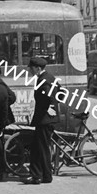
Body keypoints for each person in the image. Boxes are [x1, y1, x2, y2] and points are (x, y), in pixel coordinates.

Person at [24, 57, 60, 185]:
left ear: (38, 68)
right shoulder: (50, 77)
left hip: (45, 120)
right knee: (41, 147)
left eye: (31, 68)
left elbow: (47, 96)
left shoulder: (43, 80)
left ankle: (40, 176)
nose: (29, 70)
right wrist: (55, 105)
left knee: (41, 148)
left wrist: (49, 107)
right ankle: (43, 175)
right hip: (47, 119)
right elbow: (61, 93)